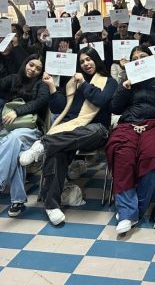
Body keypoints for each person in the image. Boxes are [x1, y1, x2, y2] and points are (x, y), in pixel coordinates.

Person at [19, 47, 118, 225]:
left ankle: (43, 144)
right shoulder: (73, 82)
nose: (86, 64)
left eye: (89, 59)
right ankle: (52, 205)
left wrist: (84, 84)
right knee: (57, 151)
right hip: (69, 131)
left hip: (95, 131)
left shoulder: (109, 82)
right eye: (82, 62)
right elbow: (60, 108)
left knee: (94, 130)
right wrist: (51, 86)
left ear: (96, 60)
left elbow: (101, 100)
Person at [107, 46, 155, 234]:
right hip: (129, 123)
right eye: (135, 58)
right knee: (122, 154)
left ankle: (131, 211)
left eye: (143, 56)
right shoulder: (126, 80)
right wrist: (124, 88)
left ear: (151, 59)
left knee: (153, 156)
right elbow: (115, 108)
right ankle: (129, 211)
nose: (139, 60)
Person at [0, 53, 49, 216]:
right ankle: (18, 200)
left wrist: (17, 111)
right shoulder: (14, 79)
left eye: (38, 68)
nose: (33, 70)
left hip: (29, 129)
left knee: (15, 139)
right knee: (15, 152)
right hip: (5, 128)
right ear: (25, 63)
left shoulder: (41, 84)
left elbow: (41, 101)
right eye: (31, 65)